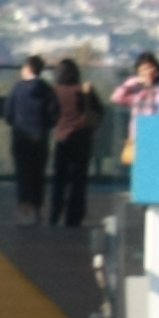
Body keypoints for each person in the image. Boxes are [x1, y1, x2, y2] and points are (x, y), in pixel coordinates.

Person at [45, 58, 96, 227]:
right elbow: (98, 111)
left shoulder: (55, 92)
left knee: (59, 180)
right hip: (83, 140)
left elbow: (50, 114)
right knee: (78, 181)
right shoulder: (84, 90)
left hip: (62, 139)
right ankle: (74, 217)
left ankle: (55, 214)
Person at [4, 54, 56, 215]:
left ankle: (23, 205)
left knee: (22, 172)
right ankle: (37, 206)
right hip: (40, 137)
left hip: (20, 136)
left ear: (29, 68)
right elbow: (54, 114)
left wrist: (17, 125)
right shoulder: (47, 89)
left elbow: (8, 112)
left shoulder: (17, 89)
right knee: (38, 173)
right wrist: (43, 127)